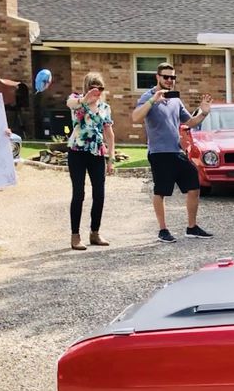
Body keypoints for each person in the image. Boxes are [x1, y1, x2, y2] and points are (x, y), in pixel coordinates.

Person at [132, 62, 213, 243]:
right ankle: (163, 230)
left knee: (193, 184)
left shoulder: (176, 100)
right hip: (158, 153)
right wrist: (153, 100)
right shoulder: (148, 97)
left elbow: (189, 122)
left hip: (176, 151)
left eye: (172, 77)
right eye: (166, 77)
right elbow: (136, 117)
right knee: (161, 191)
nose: (169, 80)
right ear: (158, 77)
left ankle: (191, 228)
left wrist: (203, 113)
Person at [65, 72, 116, 250]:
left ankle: (95, 232)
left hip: (97, 153)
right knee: (78, 193)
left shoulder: (104, 107)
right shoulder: (77, 101)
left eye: (100, 88)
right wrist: (84, 99)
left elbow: (109, 133)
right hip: (77, 152)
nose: (97, 92)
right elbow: (69, 103)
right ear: (86, 88)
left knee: (99, 194)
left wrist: (111, 157)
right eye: (93, 88)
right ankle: (75, 235)